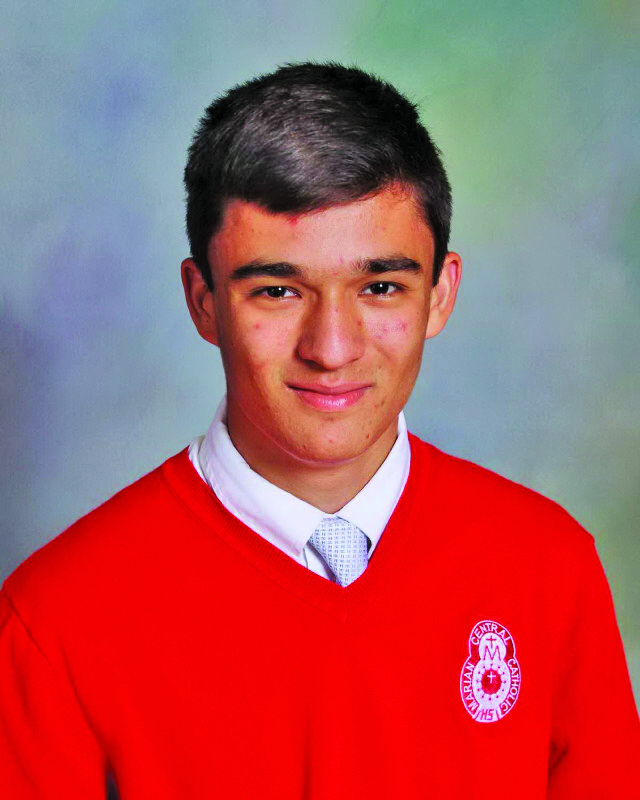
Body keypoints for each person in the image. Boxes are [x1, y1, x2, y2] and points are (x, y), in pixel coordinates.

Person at [1, 62, 638, 799]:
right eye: (277, 290)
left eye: (380, 287)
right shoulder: (57, 620)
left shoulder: (549, 568)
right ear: (203, 301)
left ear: (440, 295)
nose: (332, 348)